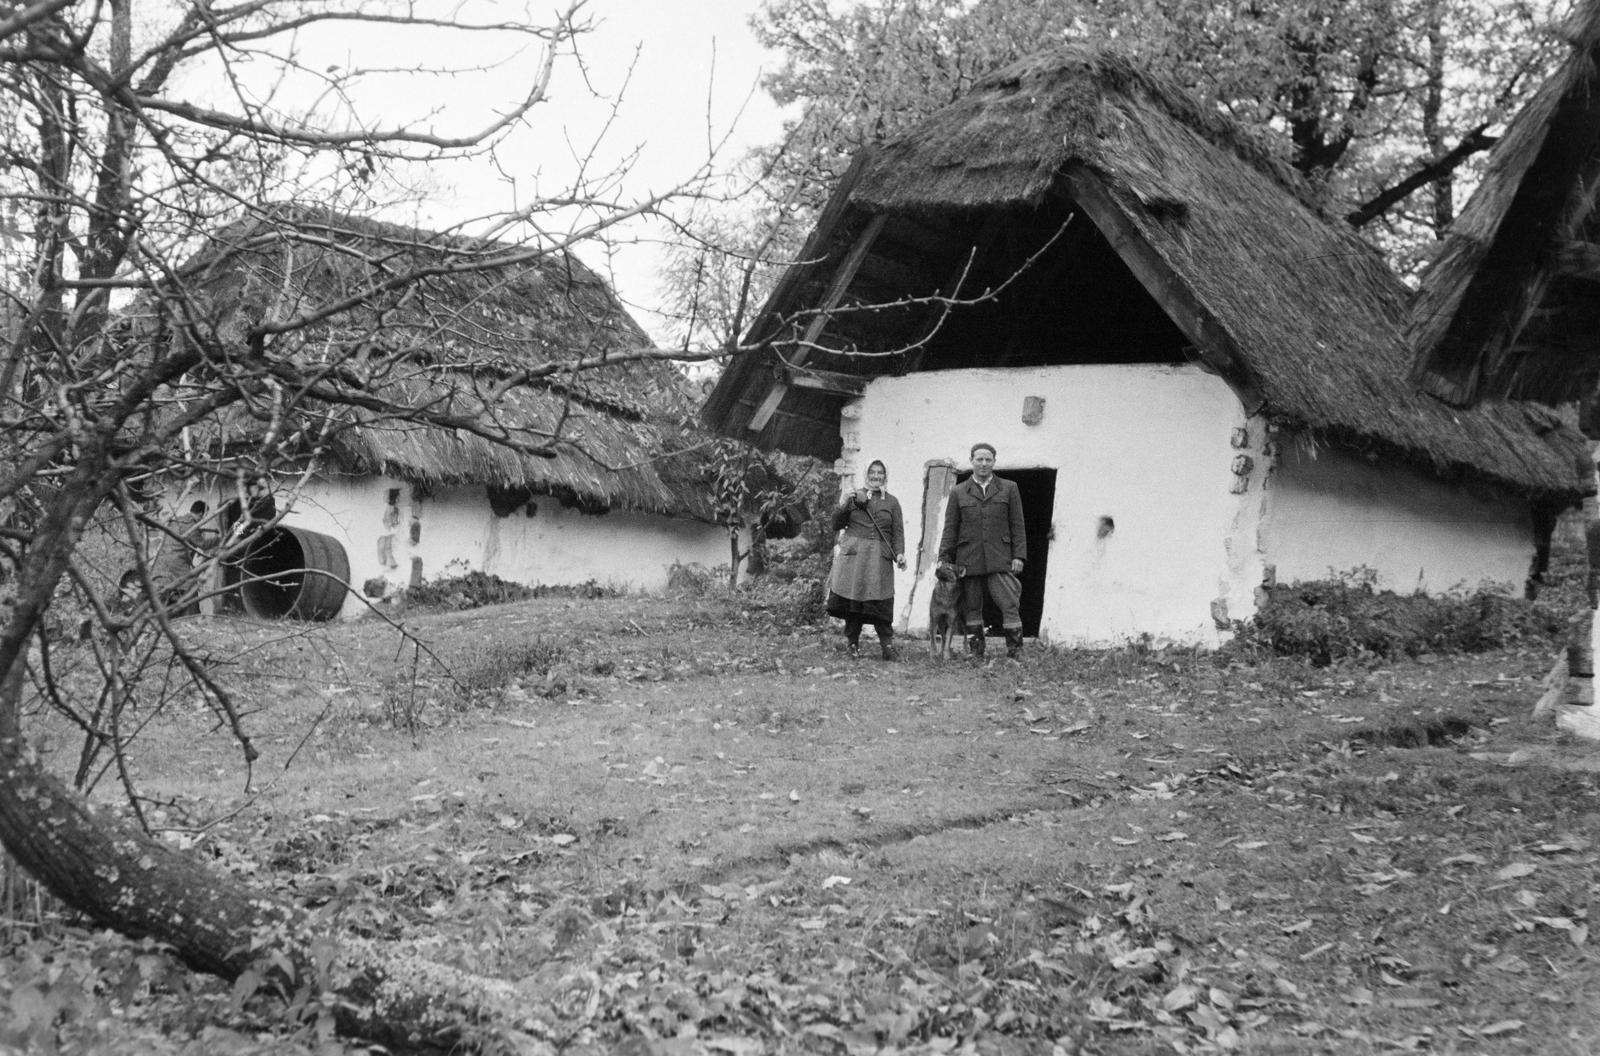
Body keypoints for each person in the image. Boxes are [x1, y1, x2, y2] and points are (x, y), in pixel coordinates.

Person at [938, 442, 1027, 660]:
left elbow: (1017, 524)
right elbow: (951, 528)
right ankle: (976, 653)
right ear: (972, 461)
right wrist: (944, 558)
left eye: (988, 459)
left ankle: (1015, 652)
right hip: (969, 558)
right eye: (979, 459)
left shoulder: (1009, 488)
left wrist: (1019, 555)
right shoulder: (959, 492)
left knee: (1009, 603)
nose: (984, 464)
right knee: (972, 608)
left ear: (994, 462)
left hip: (1000, 556)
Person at [825, 460, 906, 659]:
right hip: (855, 556)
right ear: (866, 474)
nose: (876, 476)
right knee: (854, 601)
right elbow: (836, 524)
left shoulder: (892, 502)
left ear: (885, 476)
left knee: (881, 600)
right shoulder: (853, 497)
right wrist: (844, 502)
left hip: (879, 557)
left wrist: (900, 553)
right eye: (872, 472)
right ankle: (852, 644)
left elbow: (897, 532)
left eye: (880, 473)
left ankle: (887, 646)